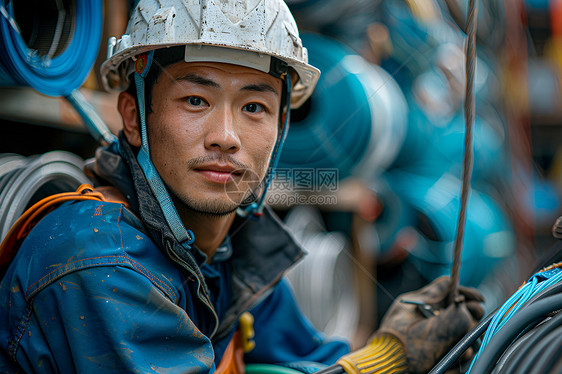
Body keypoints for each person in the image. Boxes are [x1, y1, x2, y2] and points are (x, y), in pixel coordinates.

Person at [0, 1, 484, 373]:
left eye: (254, 108)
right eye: (195, 99)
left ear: (281, 129)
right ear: (132, 117)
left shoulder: (230, 245)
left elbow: (307, 360)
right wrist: (386, 358)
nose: (226, 137)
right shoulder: (93, 260)